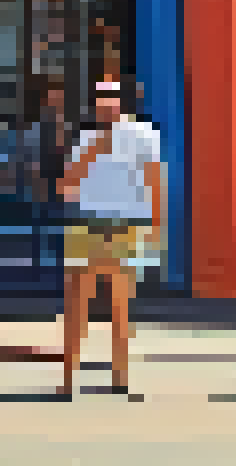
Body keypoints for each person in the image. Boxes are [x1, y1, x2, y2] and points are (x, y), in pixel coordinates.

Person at [56, 79, 167, 399]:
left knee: (120, 303)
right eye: (100, 99)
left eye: (112, 99)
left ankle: (120, 377)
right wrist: (92, 151)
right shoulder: (87, 138)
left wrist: (156, 228)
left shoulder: (144, 136)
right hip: (84, 225)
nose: (106, 105)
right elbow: (67, 186)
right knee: (76, 303)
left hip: (126, 225)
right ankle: (68, 377)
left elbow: (154, 183)